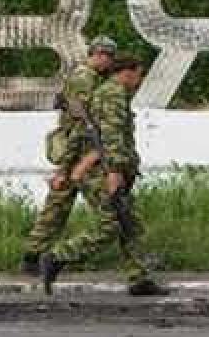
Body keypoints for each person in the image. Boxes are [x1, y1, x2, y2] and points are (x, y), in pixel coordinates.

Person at [41, 55, 163, 296]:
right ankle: (57, 257)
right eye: (138, 75)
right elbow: (112, 135)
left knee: (131, 225)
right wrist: (115, 172)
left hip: (102, 170)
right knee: (110, 227)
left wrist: (64, 170)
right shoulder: (114, 95)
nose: (139, 82)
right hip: (102, 173)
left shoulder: (101, 93)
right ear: (127, 72)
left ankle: (139, 279)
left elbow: (78, 134)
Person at [20, 35, 118, 276]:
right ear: (100, 54)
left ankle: (32, 256)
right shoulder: (85, 79)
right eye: (109, 57)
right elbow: (84, 121)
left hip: (76, 151)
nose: (111, 63)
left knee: (57, 206)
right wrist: (68, 165)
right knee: (111, 207)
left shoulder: (86, 77)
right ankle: (132, 257)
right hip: (82, 152)